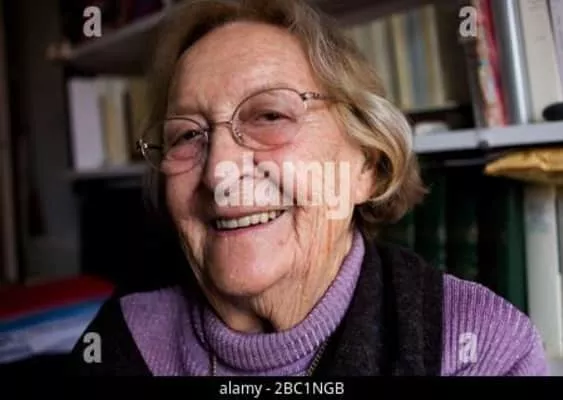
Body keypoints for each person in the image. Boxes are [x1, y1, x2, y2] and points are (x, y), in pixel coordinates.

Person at [68, 0, 549, 376]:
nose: (218, 173)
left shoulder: (479, 346)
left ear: (368, 165)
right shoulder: (120, 342)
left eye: (269, 115)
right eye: (187, 135)